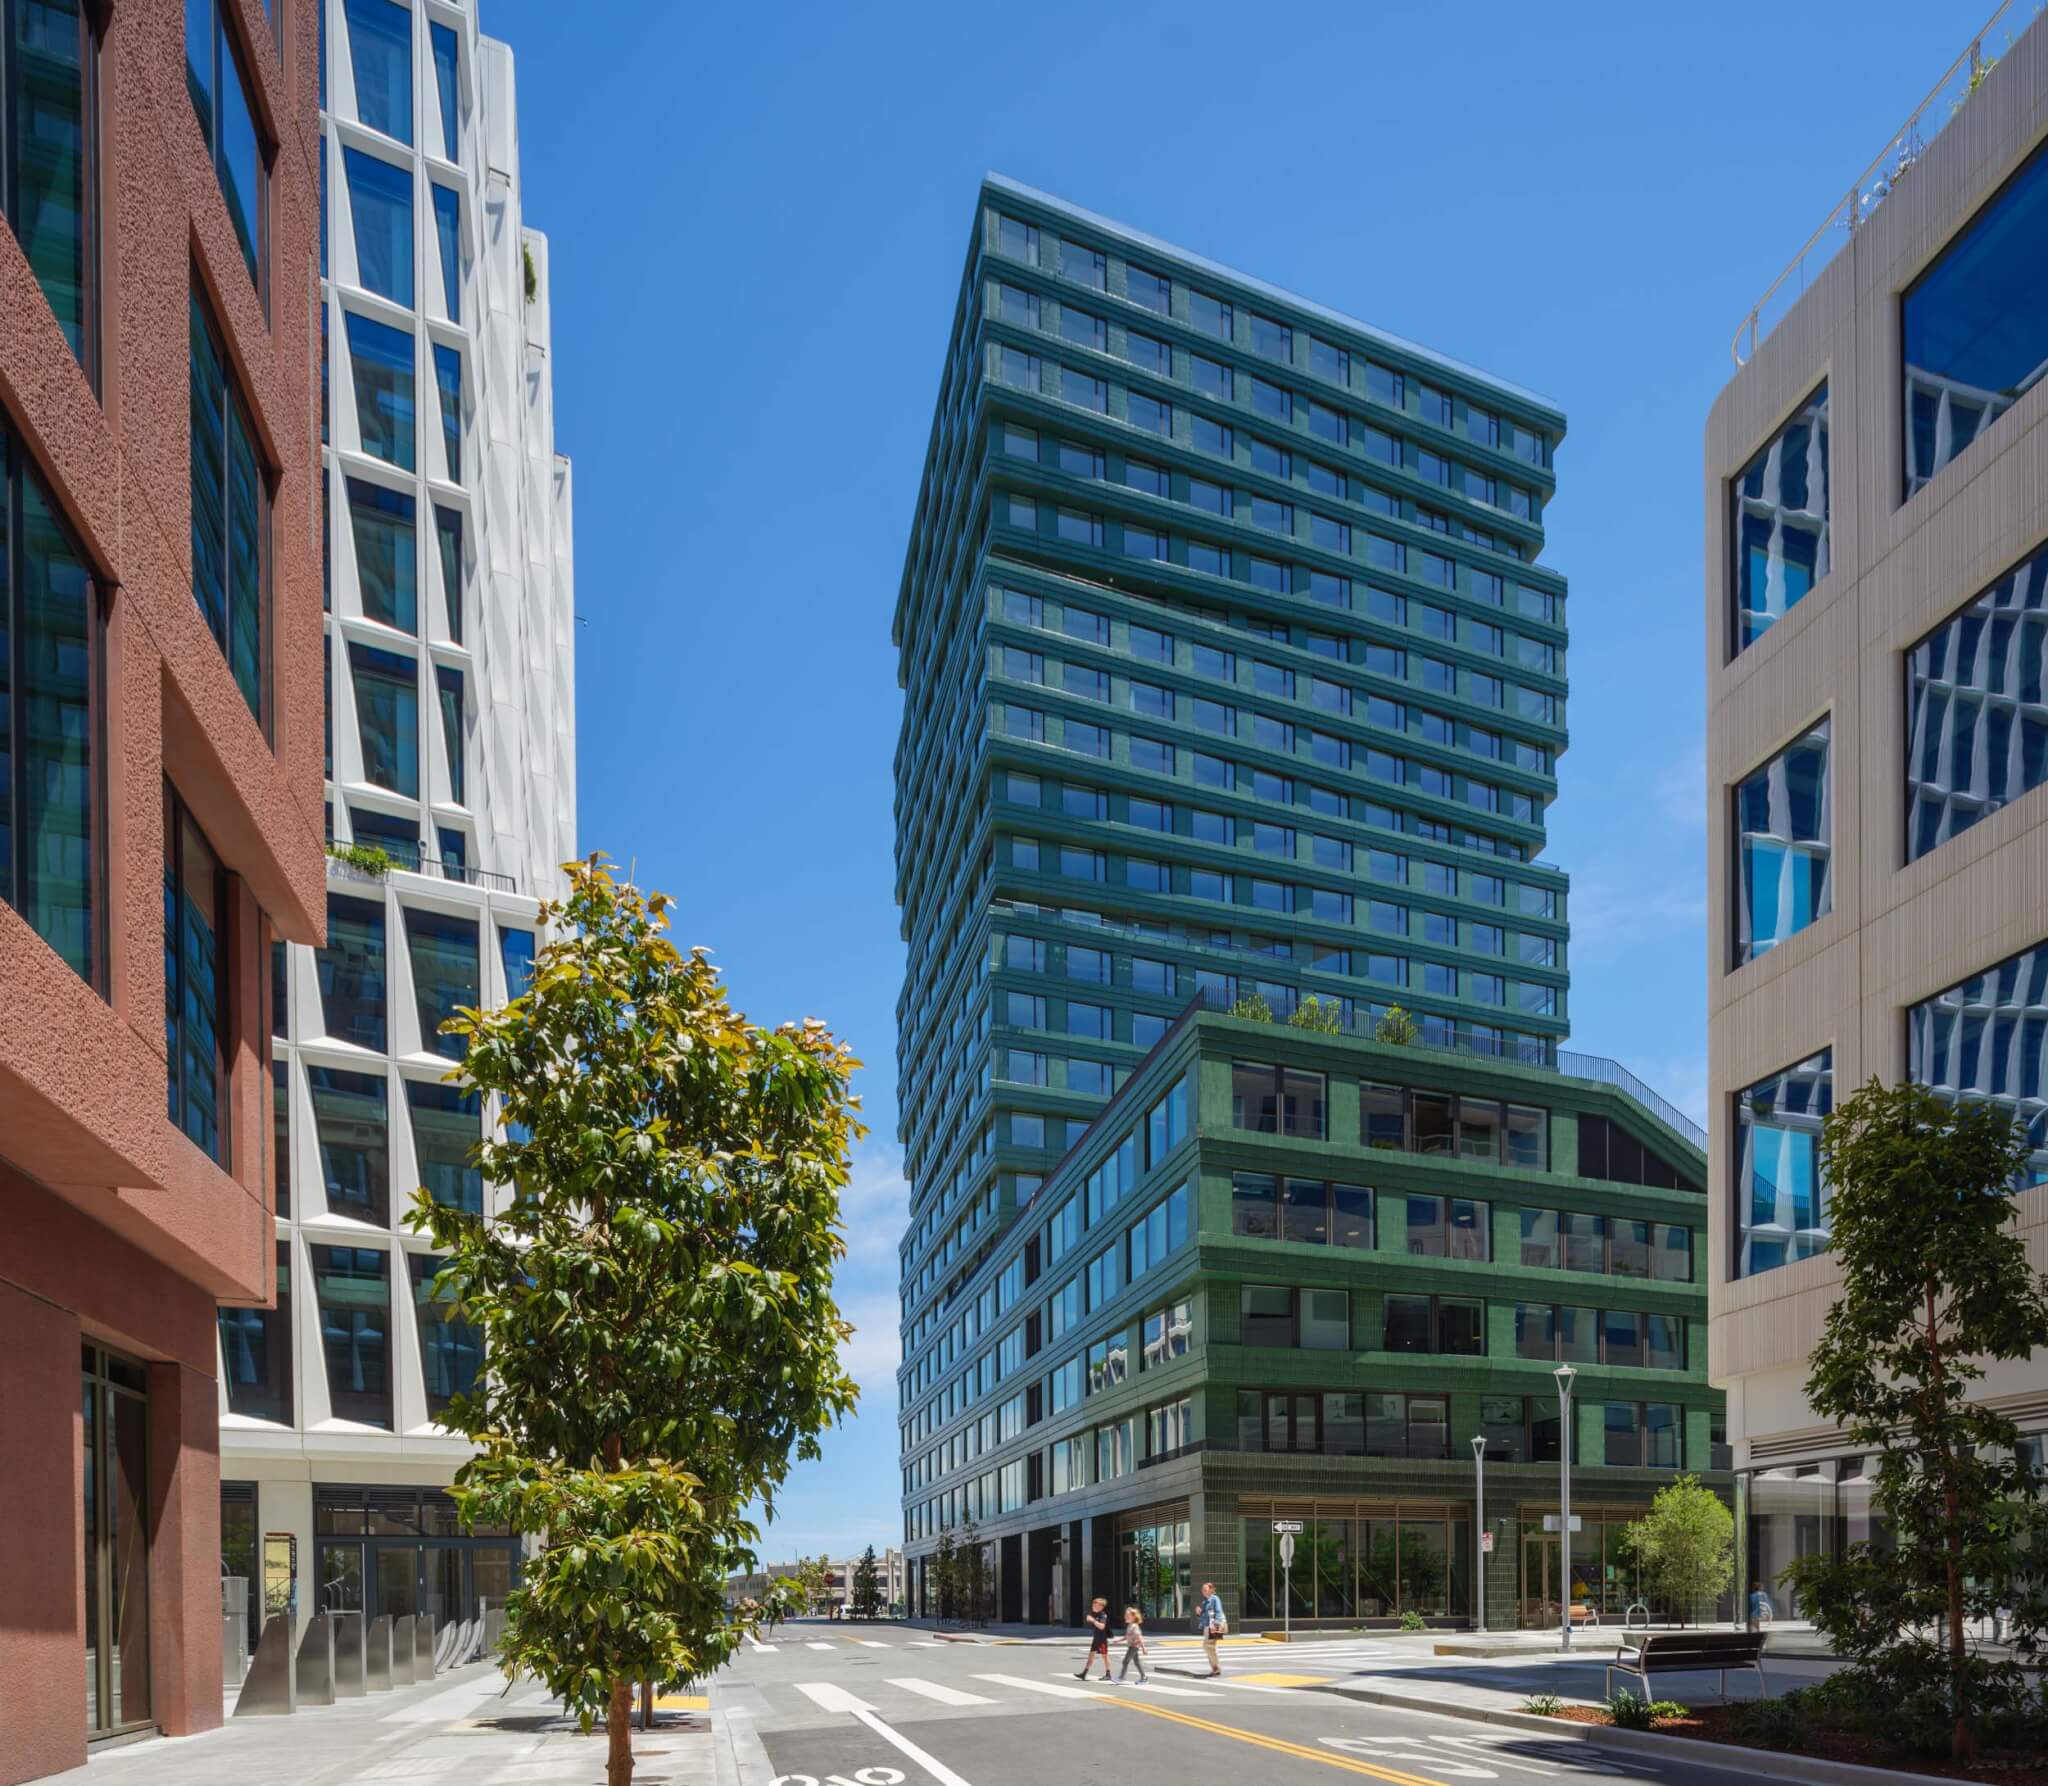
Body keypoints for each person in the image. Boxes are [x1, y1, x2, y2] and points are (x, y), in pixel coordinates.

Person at [1075, 1597, 1113, 1680]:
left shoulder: (1103, 1615)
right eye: (1093, 1605)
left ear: (1101, 1607)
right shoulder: (1096, 1615)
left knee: (1105, 1656)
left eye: (1095, 1605)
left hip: (1102, 1640)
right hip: (1096, 1639)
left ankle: (1108, 1674)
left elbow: (1102, 1626)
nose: (1093, 1606)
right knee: (1091, 1656)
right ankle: (1084, 1673)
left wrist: (1093, 1620)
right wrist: (1092, 1619)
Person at [1197, 1581, 1226, 1677]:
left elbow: (1218, 1611)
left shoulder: (1214, 1599)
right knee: (1208, 1646)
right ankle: (1215, 1668)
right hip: (1207, 1626)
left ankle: (1216, 1668)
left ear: (1211, 1590)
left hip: (1214, 1625)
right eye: (1202, 1589)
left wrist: (1216, 1624)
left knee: (1209, 1646)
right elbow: (1203, 1616)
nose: (1203, 1591)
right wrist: (1199, 1613)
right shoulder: (1205, 1601)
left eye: (1205, 1589)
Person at [1118, 1606, 1147, 1683]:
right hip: (1132, 1646)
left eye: (1127, 1615)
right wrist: (1118, 1641)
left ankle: (1121, 1677)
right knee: (1137, 1662)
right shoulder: (1130, 1626)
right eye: (1125, 1615)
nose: (1125, 1617)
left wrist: (1144, 1648)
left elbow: (1140, 1637)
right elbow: (1127, 1636)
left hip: (1134, 1647)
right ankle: (1144, 1678)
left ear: (1133, 1617)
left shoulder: (1134, 1626)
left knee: (1125, 1661)